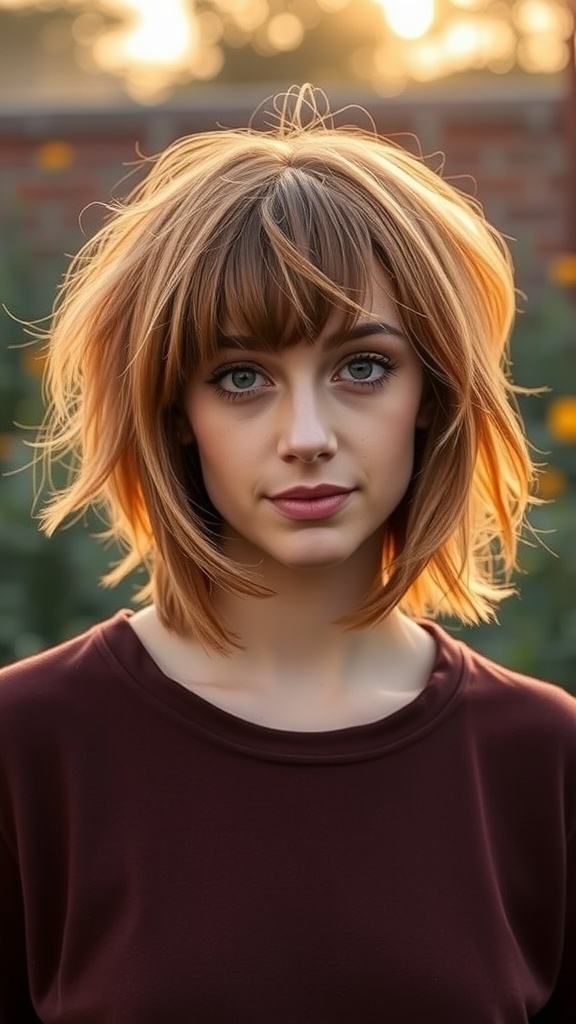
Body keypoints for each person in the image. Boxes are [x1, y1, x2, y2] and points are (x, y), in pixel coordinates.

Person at [0, 84, 574, 1024]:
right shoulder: (29, 750)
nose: (306, 434)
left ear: (432, 391)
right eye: (240, 378)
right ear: (174, 414)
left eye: (362, 367)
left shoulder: (541, 760)